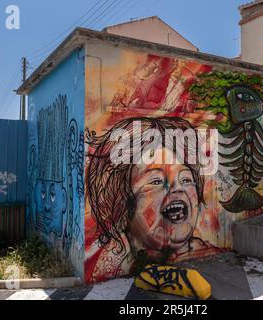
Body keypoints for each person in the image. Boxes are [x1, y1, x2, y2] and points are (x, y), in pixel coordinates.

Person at [84, 117, 220, 282]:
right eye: (156, 181)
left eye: (186, 180)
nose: (177, 188)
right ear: (120, 204)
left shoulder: (209, 250)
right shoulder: (103, 264)